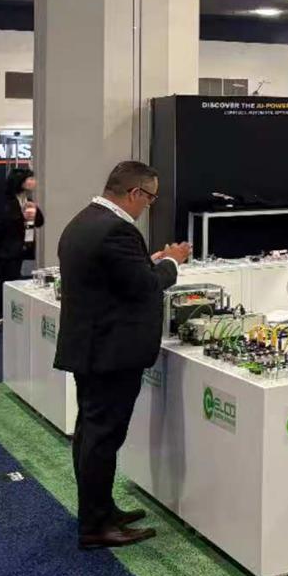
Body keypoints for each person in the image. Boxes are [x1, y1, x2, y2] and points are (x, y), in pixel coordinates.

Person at [54, 161, 192, 550]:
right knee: (101, 438)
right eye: (150, 198)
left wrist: (148, 262)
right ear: (135, 193)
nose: (149, 206)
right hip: (110, 352)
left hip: (91, 347)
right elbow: (145, 287)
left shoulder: (84, 220)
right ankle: (96, 526)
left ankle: (100, 510)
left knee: (91, 434)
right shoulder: (117, 229)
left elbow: (117, 277)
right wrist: (171, 262)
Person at [0, 168, 43, 329]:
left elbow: (39, 222)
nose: (34, 182)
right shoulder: (7, 202)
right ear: (21, 182)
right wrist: (22, 216)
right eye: (30, 179)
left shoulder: (28, 200)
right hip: (6, 251)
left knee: (12, 281)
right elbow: (2, 225)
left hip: (21, 248)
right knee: (6, 282)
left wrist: (34, 212)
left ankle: (7, 313)